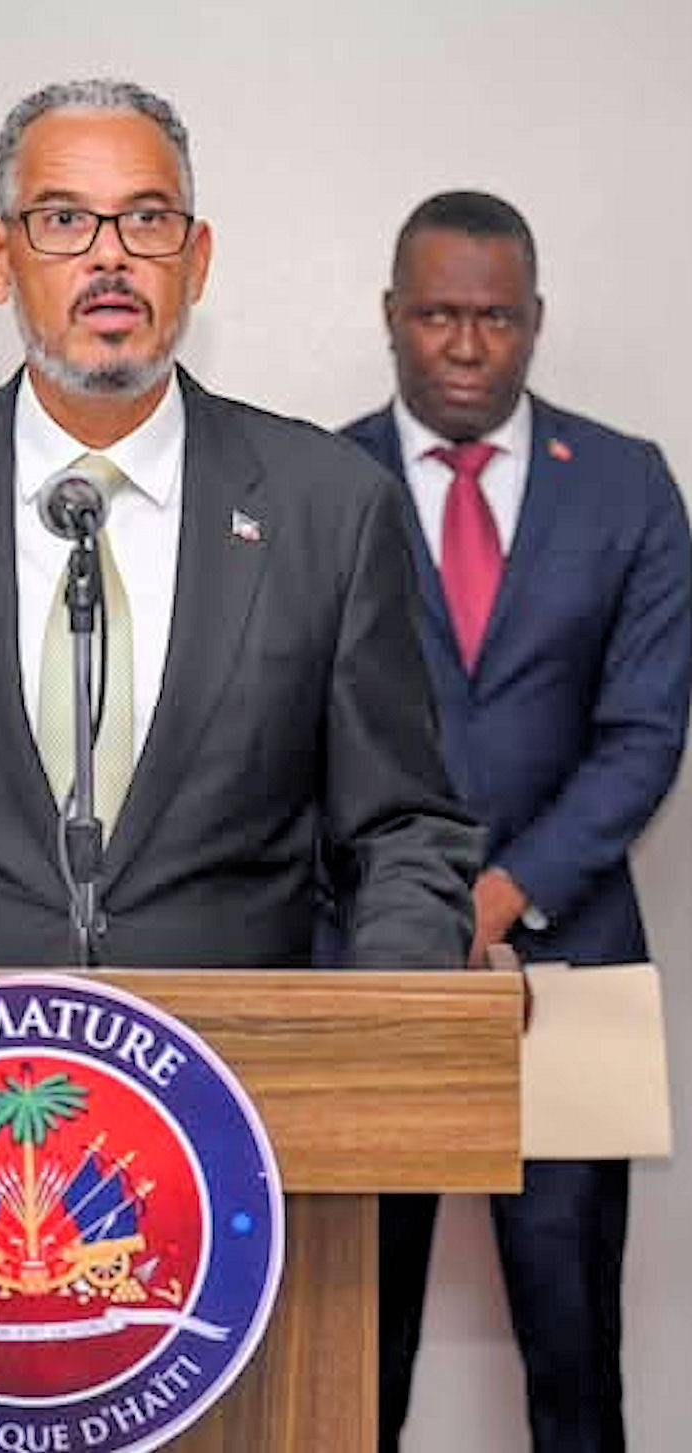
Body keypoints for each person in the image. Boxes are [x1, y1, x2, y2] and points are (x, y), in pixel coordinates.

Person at [0, 80, 478, 984]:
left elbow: (399, 830)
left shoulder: (330, 510)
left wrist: (380, 1034)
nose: (110, 256)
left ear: (195, 260)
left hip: (225, 1062)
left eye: (147, 220)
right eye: (64, 221)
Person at [344, 191, 692, 1452]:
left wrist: (496, 896)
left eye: (494, 318)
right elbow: (283, 733)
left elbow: (644, 732)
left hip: (571, 965)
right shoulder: (318, 482)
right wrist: (413, 911)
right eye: (438, 314)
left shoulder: (627, 484)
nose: (465, 344)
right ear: (392, 315)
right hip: (362, 969)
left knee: (574, 1350)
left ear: (535, 320)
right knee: (350, 1354)